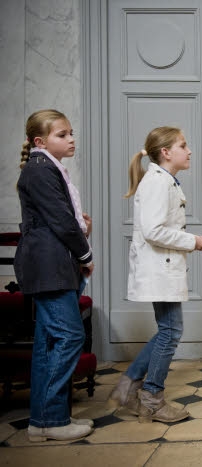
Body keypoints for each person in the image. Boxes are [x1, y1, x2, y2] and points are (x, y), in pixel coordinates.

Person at [108, 127, 202, 423]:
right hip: (158, 269)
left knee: (169, 330)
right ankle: (151, 398)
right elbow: (153, 231)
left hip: (162, 267)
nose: (189, 150)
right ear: (166, 152)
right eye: (183, 145)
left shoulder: (164, 180)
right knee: (170, 331)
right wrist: (192, 241)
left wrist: (191, 239)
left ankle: (128, 388)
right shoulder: (157, 183)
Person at [15, 109, 95, 442]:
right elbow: (60, 221)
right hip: (49, 266)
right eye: (62, 134)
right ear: (40, 141)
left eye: (71, 132)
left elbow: (60, 218)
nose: (71, 138)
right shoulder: (40, 170)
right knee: (70, 336)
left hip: (53, 264)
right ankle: (53, 420)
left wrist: (82, 226)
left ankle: (41, 422)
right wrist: (86, 252)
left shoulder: (46, 168)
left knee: (49, 343)